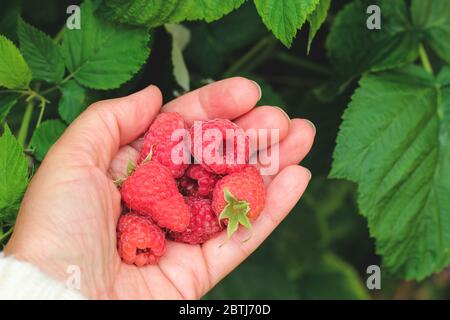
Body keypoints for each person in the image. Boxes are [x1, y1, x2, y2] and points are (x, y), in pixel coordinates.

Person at [0, 77, 315, 299]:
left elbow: (185, 202)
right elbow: (176, 209)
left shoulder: (211, 185)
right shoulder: (167, 190)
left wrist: (42, 277)